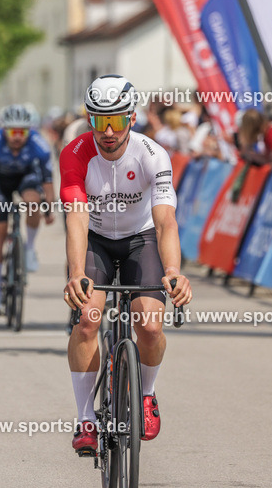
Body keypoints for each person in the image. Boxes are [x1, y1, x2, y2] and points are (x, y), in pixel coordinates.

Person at [60, 75, 193, 456]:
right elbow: (76, 218)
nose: (107, 131)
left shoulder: (153, 155)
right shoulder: (74, 154)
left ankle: (147, 394)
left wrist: (172, 271)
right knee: (87, 319)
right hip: (96, 240)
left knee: (150, 325)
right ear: (89, 120)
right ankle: (86, 418)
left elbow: (166, 221)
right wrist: (76, 275)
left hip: (141, 238)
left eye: (116, 121)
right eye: (98, 121)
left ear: (131, 118)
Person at [0, 104, 55, 315]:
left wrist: (48, 209)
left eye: (22, 132)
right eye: (13, 131)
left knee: (33, 203)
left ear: (29, 131)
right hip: (0, 183)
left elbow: (48, 183)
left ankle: (29, 248)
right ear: (4, 130)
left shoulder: (39, 144)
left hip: (26, 178)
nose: (17, 137)